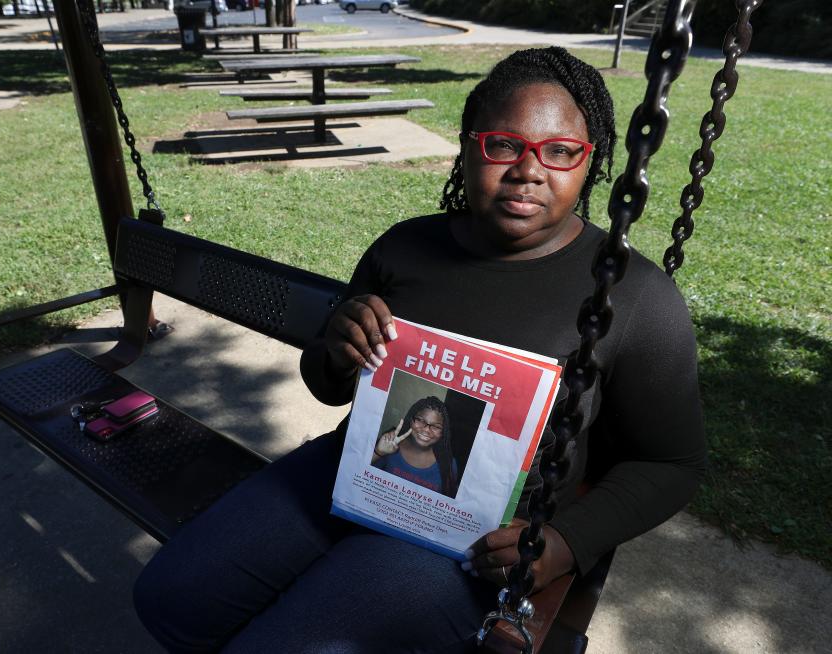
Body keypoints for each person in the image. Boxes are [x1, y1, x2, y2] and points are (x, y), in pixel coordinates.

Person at [133, 46, 706, 653]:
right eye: (503, 145)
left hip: (478, 540)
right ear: (468, 146)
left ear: (590, 163)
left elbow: (673, 464)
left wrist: (563, 543)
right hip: (354, 477)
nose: (529, 171)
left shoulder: (636, 298)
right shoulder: (405, 249)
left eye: (561, 152)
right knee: (170, 598)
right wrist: (336, 344)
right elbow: (328, 385)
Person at [371, 396, 459, 497]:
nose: (426, 429)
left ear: (443, 432)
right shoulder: (388, 445)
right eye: (420, 420)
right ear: (411, 420)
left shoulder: (448, 464)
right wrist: (378, 452)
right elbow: (355, 475)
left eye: (436, 427)